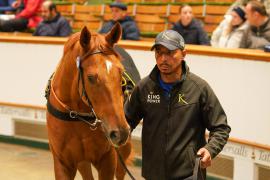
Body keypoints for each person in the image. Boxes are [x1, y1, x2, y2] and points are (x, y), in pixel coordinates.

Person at [124, 30, 231, 179]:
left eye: (169, 53)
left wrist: (210, 150)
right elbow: (127, 119)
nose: (163, 59)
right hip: (153, 174)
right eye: (159, 53)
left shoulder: (199, 88)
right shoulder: (144, 87)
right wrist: (120, 132)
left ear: (184, 54)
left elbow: (221, 127)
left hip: (189, 174)